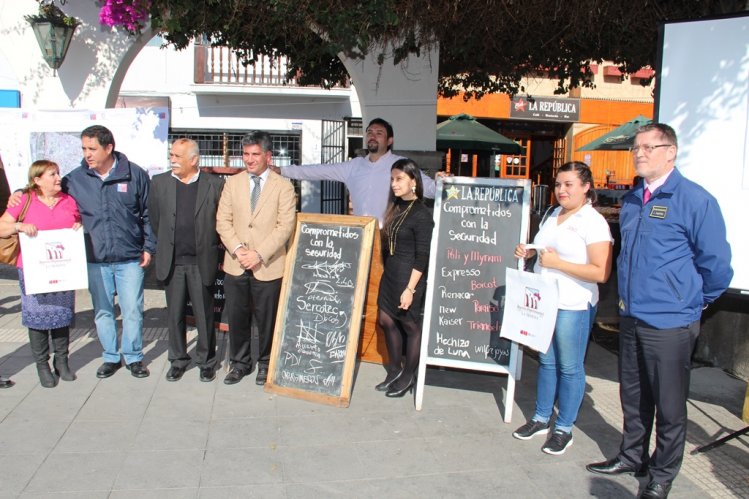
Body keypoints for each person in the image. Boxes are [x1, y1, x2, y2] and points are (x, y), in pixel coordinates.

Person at [586, 123, 733, 499]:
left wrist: (691, 302)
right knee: (633, 396)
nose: (640, 152)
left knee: (669, 403)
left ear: (671, 152)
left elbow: (716, 267)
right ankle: (631, 456)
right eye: (637, 147)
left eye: (650, 146)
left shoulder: (695, 200)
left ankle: (663, 473)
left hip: (671, 323)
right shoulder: (635, 200)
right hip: (632, 317)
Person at [512, 161, 613, 455]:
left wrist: (558, 265)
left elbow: (600, 272)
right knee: (546, 362)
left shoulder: (593, 222)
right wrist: (529, 250)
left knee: (569, 368)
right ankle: (542, 418)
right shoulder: (553, 213)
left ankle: (564, 427)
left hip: (574, 304)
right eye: (558, 184)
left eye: (569, 184)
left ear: (586, 187)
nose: (561, 190)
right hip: (545, 301)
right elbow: (546, 251)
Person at [65, 125, 156, 379]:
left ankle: (134, 356)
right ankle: (110, 357)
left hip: (129, 258)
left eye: (92, 148)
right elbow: (48, 195)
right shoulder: (75, 179)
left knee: (132, 311)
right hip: (95, 259)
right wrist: (20, 194)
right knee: (103, 311)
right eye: (84, 148)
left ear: (108, 148)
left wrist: (149, 246)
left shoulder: (134, 175)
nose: (87, 154)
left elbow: (149, 214)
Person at [216, 131, 296, 385]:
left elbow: (285, 226)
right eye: (245, 154)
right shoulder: (232, 183)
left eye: (255, 154)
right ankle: (239, 363)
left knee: (267, 319)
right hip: (236, 264)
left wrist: (259, 254)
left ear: (268, 156)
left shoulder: (283, 186)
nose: (249, 160)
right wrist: (239, 250)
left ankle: (265, 363)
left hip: (268, 265)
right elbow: (222, 221)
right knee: (237, 317)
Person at [0, 160, 81, 387]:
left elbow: (78, 219)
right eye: (52, 174)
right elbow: (2, 226)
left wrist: (78, 224)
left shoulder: (68, 200)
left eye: (57, 173)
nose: (58, 178)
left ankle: (62, 361)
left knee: (62, 315)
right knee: (37, 317)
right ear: (37, 180)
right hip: (34, 270)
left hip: (62, 269)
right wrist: (18, 226)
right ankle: (42, 365)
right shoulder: (24, 200)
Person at [149, 138, 224, 382]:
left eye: (178, 156)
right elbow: (155, 220)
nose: (172, 160)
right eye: (171, 155)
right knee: (175, 315)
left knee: (204, 315)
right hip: (172, 262)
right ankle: (178, 360)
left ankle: (206, 361)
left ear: (194, 160)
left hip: (202, 261)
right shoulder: (159, 183)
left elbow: (220, 220)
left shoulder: (214, 184)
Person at [273, 118, 438, 225]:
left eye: (379, 133)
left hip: (390, 237)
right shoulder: (353, 166)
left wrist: (448, 186)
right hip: (361, 235)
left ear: (389, 141)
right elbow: (317, 171)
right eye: (370, 133)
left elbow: (428, 187)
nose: (373, 136)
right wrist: (281, 170)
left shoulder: (400, 164)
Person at [375, 158, 434, 397]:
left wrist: (410, 289)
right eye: (392, 179)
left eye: (399, 179)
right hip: (391, 275)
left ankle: (409, 375)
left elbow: (422, 256)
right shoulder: (396, 207)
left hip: (409, 278)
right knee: (386, 321)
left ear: (413, 181)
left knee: (410, 326)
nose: (394, 184)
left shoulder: (421, 213)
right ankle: (394, 371)